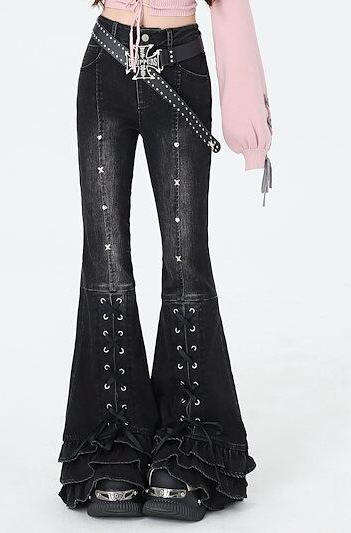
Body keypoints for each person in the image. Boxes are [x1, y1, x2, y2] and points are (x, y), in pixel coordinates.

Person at [57, 0, 272, 521]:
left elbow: (231, 7)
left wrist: (250, 128)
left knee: (185, 262)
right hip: (105, 62)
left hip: (179, 66)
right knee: (106, 262)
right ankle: (115, 440)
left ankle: (189, 439)